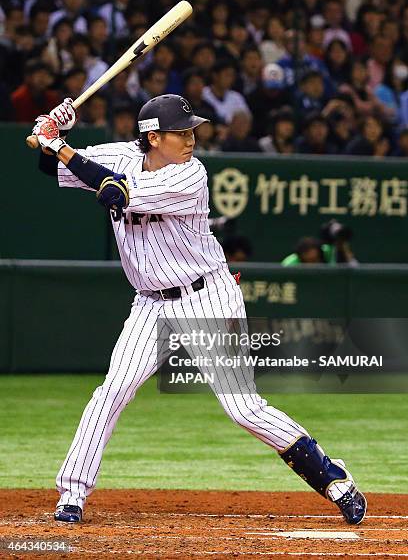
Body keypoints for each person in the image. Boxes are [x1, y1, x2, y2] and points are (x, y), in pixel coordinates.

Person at [31, 94, 366, 526]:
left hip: (207, 295)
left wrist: (57, 142)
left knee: (243, 408)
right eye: (182, 132)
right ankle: (71, 495)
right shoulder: (119, 154)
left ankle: (334, 479)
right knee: (111, 392)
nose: (192, 139)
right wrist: (53, 137)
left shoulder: (190, 174)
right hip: (150, 303)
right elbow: (57, 169)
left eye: (192, 130)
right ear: (153, 137)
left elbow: (114, 192)